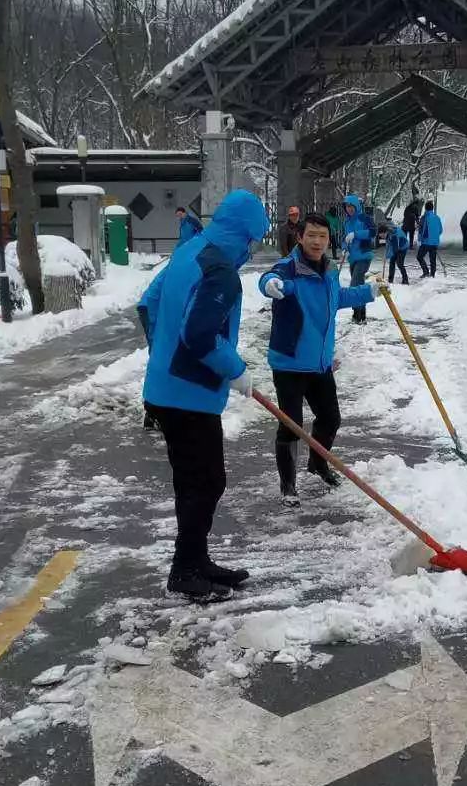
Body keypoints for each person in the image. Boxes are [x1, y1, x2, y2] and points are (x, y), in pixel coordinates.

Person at [137, 187, 270, 601]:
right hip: (189, 396)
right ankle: (184, 571)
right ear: (244, 235)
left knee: (192, 482)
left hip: (166, 388)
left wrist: (162, 355)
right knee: (207, 482)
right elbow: (198, 335)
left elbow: (149, 303)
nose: (252, 249)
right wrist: (235, 371)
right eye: (254, 240)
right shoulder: (221, 272)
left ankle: (196, 561)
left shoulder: (190, 249)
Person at [258, 211, 376, 503]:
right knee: (292, 423)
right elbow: (270, 279)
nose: (317, 241)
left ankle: (317, 463)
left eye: (322, 236)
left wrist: (368, 292)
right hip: (290, 363)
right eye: (311, 235)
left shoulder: (330, 270)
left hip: (320, 363)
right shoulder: (289, 269)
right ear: (300, 237)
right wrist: (270, 285)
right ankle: (288, 486)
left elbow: (337, 300)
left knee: (330, 418)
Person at [341, 193, 374, 325]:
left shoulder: (364, 218)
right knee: (358, 285)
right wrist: (344, 248)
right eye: (347, 207)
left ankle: (359, 315)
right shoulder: (347, 222)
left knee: (355, 284)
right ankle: (359, 315)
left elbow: (373, 231)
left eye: (351, 206)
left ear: (356, 206)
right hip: (353, 258)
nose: (349, 209)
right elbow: (345, 238)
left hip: (364, 256)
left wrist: (356, 234)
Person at [417, 200, 443, 278]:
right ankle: (432, 275)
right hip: (435, 243)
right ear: (432, 209)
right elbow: (440, 230)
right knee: (433, 260)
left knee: (419, 257)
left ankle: (426, 272)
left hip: (426, 242)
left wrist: (420, 239)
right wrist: (435, 237)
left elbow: (421, 230)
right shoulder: (437, 218)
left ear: (425, 209)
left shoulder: (424, 218)